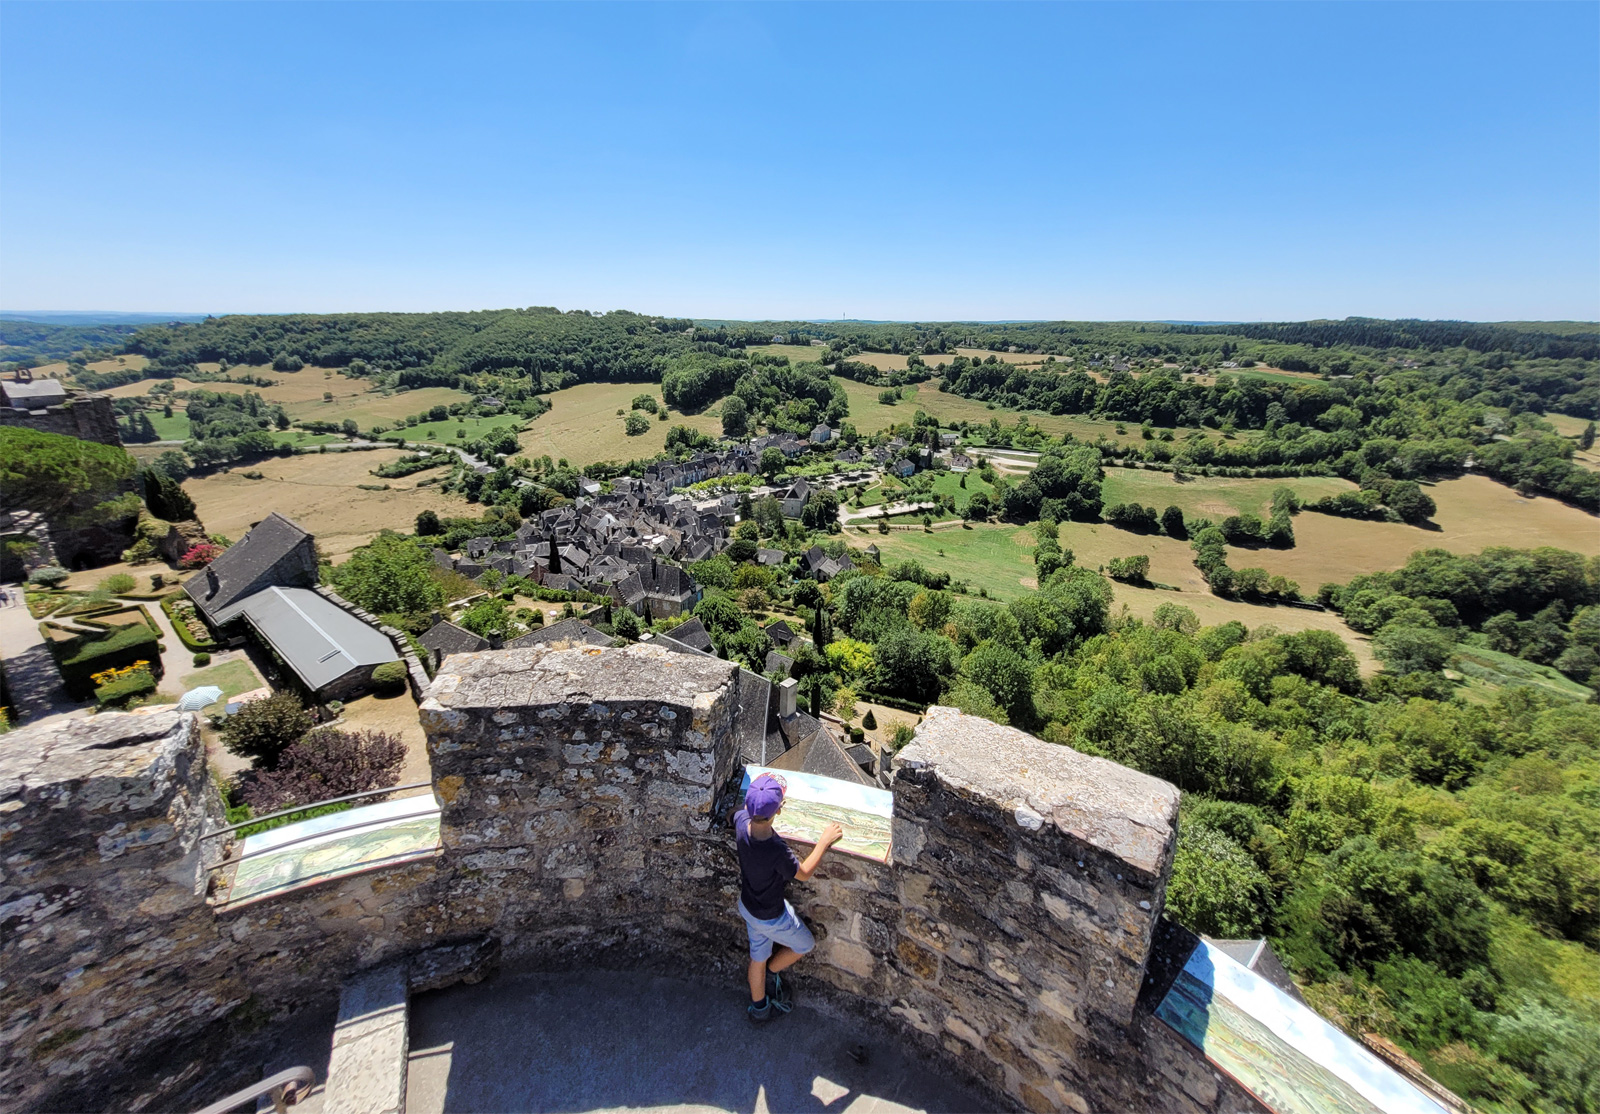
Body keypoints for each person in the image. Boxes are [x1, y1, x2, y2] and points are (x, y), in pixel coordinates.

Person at [735, 772, 843, 1024]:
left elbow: (735, 813)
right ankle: (774, 971)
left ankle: (759, 1008)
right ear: (779, 811)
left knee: (756, 958)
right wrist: (823, 842)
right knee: (804, 944)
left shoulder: (741, 822)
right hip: (772, 916)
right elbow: (803, 874)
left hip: (749, 907)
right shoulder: (776, 849)